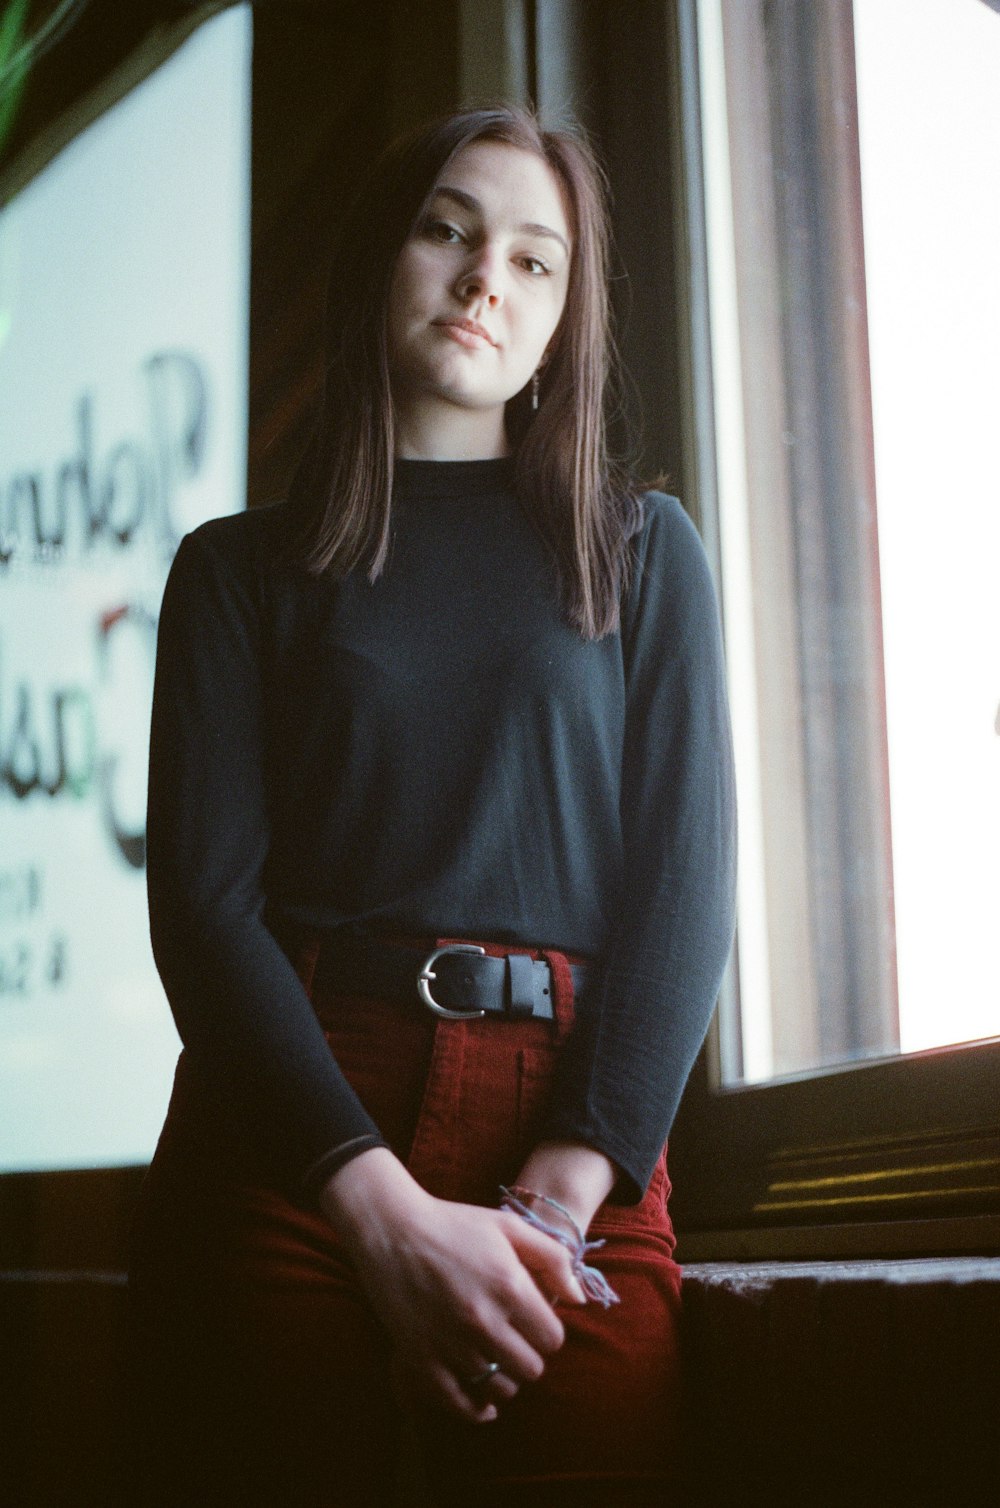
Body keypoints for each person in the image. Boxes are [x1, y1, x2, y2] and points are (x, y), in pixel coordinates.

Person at [127, 105, 737, 1507]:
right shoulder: (236, 574)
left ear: (566, 317)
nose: (485, 281)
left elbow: (687, 894)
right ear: (382, 257)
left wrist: (561, 1196)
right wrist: (379, 1212)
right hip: (294, 1121)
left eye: (536, 261)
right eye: (449, 231)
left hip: (572, 1123)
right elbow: (205, 918)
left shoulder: (644, 552)